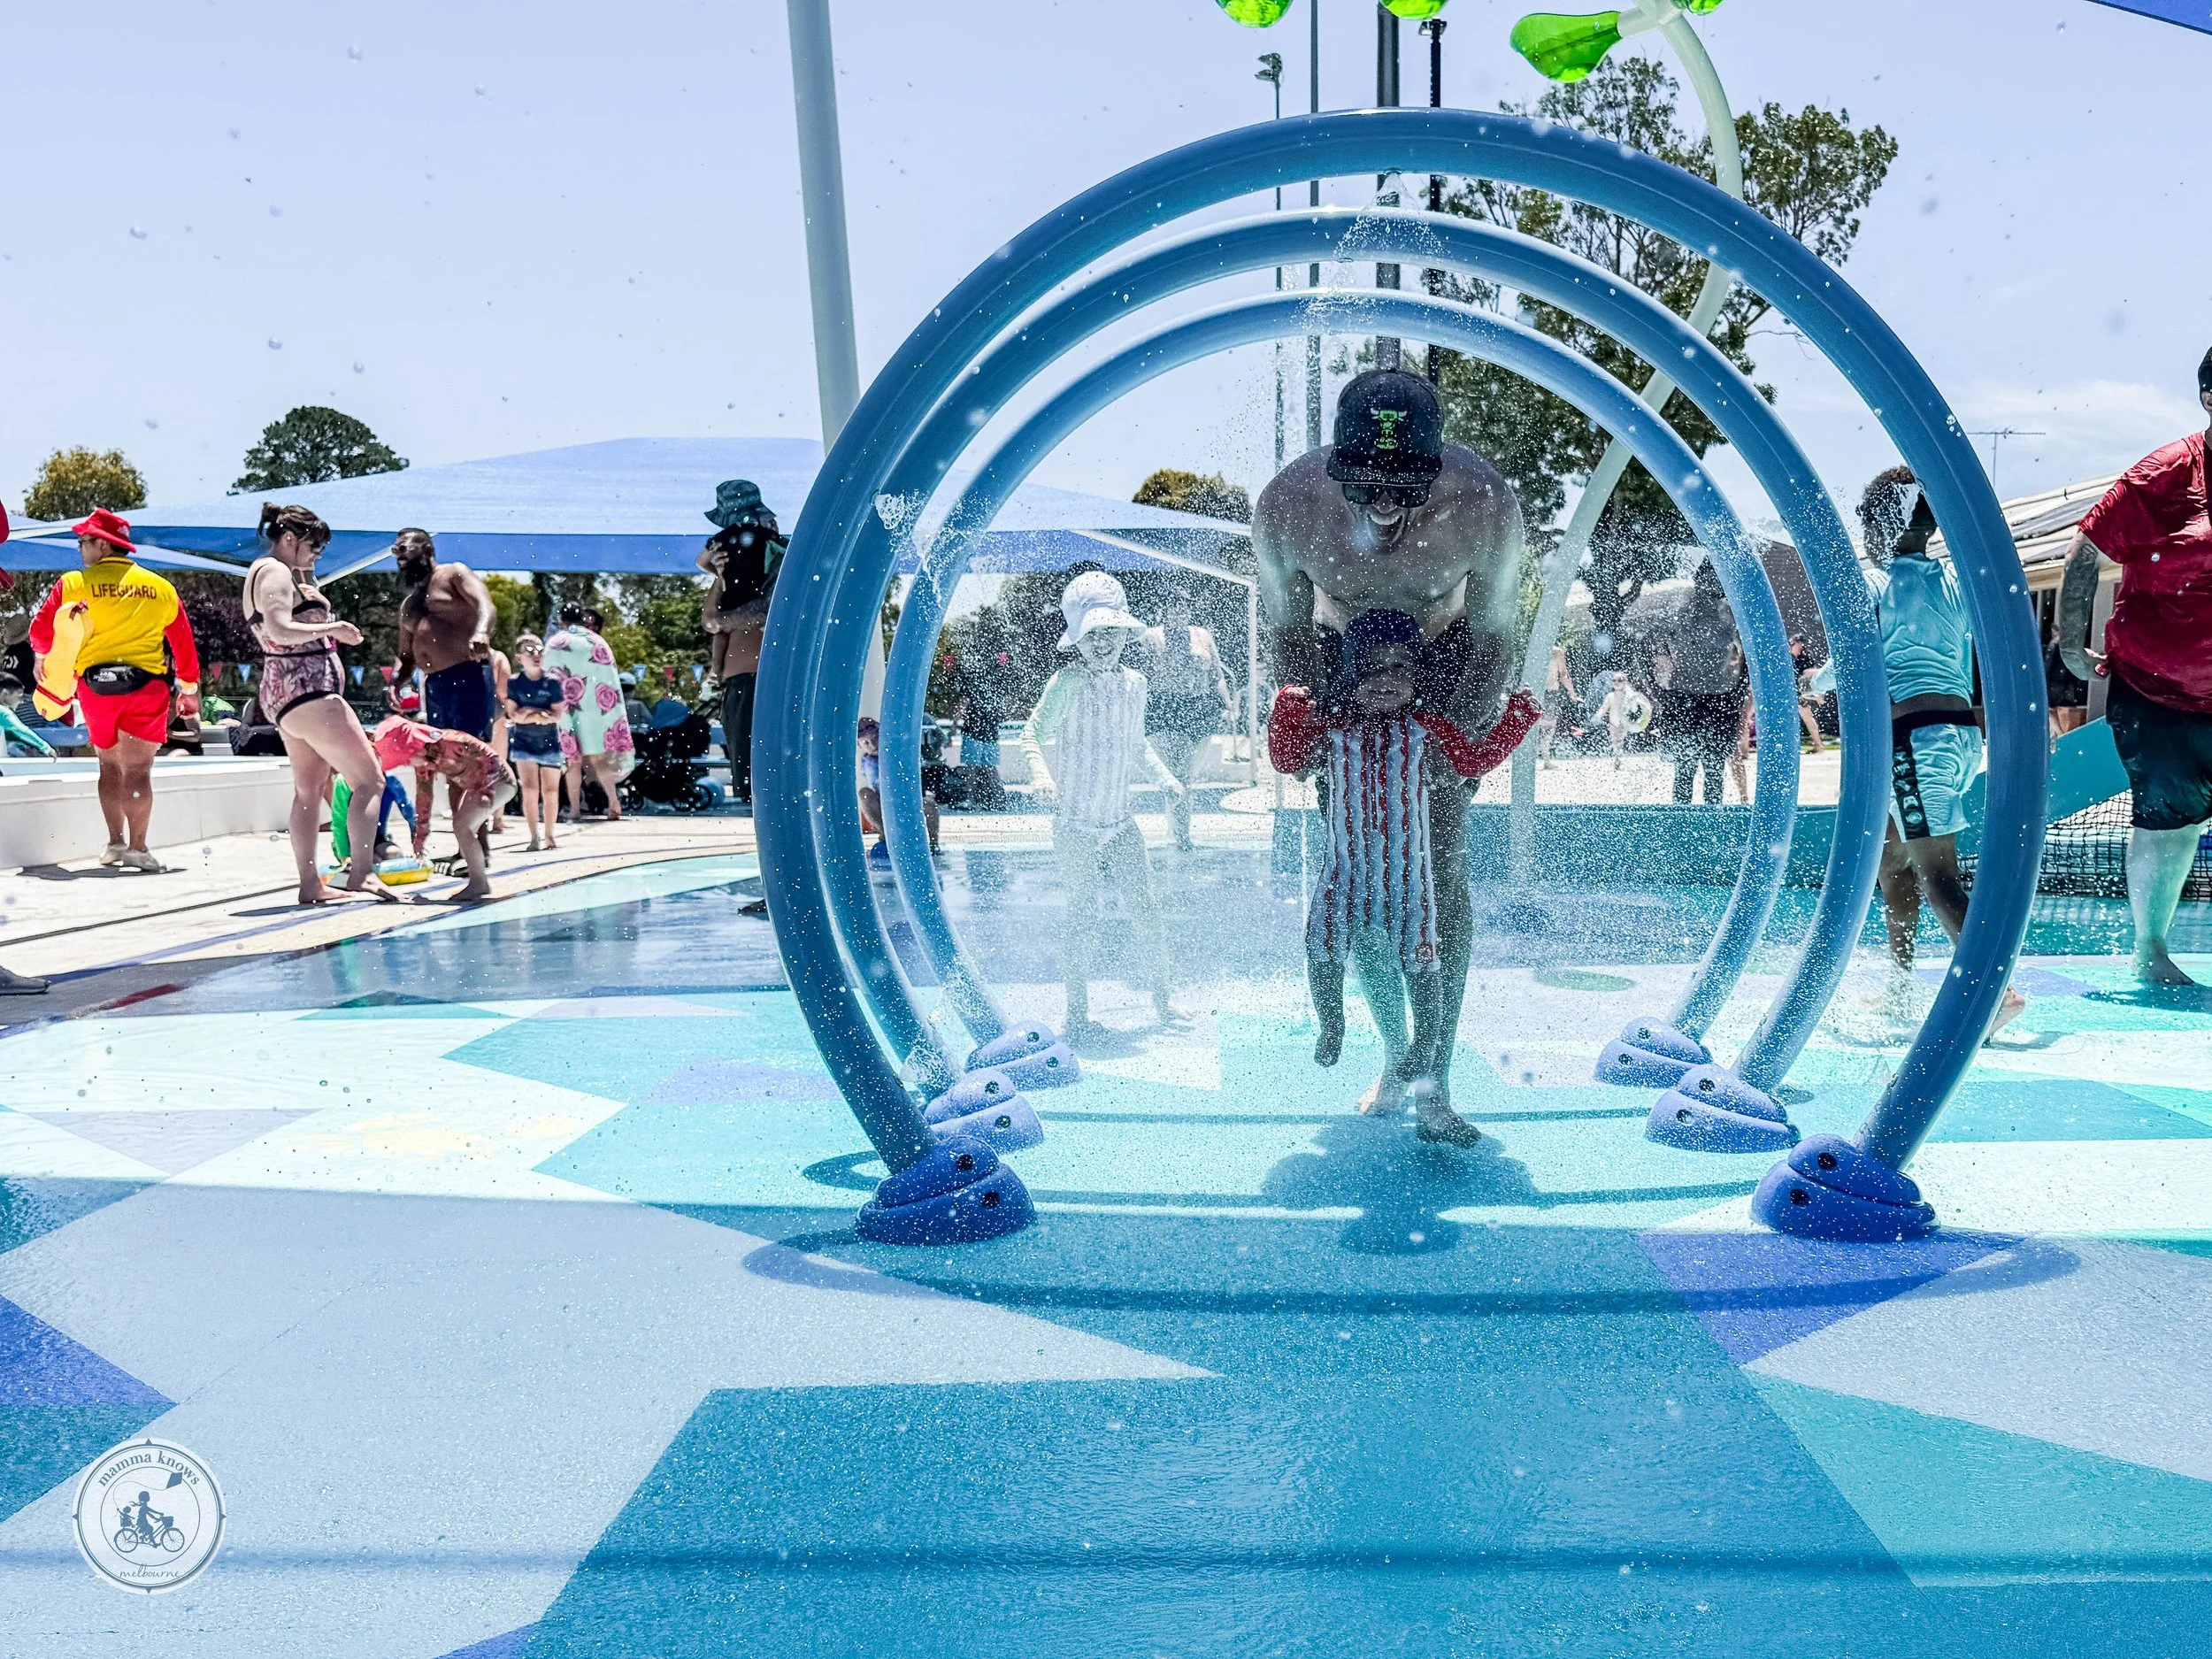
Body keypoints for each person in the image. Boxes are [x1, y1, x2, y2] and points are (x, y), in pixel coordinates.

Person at [1253, 368, 1525, 1136]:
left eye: (1403, 487)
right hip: (1341, 662)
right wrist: (1308, 735)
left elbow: (1499, 634)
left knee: (1437, 862)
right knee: (1358, 867)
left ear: (1434, 470)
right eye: (1365, 485)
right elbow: (1289, 631)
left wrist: (1461, 747)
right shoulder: (1287, 506)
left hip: (1445, 657)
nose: (1383, 504)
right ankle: (1394, 1048)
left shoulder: (1484, 505)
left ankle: (1435, 1081)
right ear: (1337, 467)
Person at [1269, 610, 1540, 1140]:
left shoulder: (1427, 728)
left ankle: (1425, 1057)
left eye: (1400, 668)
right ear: (1350, 675)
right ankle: (1333, 1026)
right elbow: (1287, 759)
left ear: (1418, 672)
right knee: (1321, 945)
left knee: (1424, 959)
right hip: (1346, 872)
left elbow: (1473, 761)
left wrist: (1518, 718)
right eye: (1373, 669)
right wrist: (1286, 708)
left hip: (1406, 877)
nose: (1388, 678)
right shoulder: (1331, 728)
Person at [2058, 347, 2212, 987]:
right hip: (2158, 690)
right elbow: (2086, 550)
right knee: (2169, 821)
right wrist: (2069, 645)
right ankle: (2150, 949)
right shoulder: (2165, 475)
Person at [1862, 468, 2025, 1034]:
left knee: (1937, 876)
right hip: (1956, 738)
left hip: (1914, 744)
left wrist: (1810, 683)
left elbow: (1858, 665)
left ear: (1878, 525)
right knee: (1891, 864)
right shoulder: (1956, 584)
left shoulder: (1873, 586)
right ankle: (1901, 986)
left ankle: (1995, 995)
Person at [1021, 572, 1187, 1038]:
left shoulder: (1136, 684)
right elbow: (1031, 733)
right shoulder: (1066, 682)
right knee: (1084, 911)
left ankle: (1162, 998)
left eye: (1110, 631)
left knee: (1146, 909)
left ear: (1125, 634)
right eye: (1092, 633)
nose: (1102, 641)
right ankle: (1076, 1010)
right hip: (1074, 822)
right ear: (1077, 639)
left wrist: (1166, 779)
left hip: (1119, 822)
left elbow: (1137, 746)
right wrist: (1041, 775)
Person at [27, 509, 200, 871]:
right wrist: (187, 689)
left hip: (94, 688)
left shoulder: (74, 583)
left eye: (84, 542)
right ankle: (139, 848)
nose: (80, 549)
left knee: (108, 767)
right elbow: (183, 645)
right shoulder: (161, 588)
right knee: (138, 770)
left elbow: (41, 633)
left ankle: (115, 845)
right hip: (146, 687)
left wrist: (44, 658)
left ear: (103, 545)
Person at [242, 503, 391, 904]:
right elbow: (279, 628)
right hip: (307, 691)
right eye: (315, 545)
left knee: (308, 791)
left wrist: (305, 577)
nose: (318, 554)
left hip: (286, 695)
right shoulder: (272, 570)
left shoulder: (277, 572)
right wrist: (335, 628)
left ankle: (311, 885)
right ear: (290, 537)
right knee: (369, 780)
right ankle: (361, 873)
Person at [698, 480, 784, 806]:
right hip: (740, 683)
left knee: (774, 780)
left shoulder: (780, 556)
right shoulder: (732, 577)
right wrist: (720, 576)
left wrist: (723, 620)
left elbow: (764, 614)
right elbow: (710, 621)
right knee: (750, 785)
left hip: (766, 679)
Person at [375, 717, 513, 902]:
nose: (406, 763)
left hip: (498, 781)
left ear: (415, 745)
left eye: (406, 758)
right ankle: (479, 881)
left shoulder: (452, 741)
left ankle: (479, 882)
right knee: (462, 826)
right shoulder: (424, 762)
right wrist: (420, 839)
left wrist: (487, 791)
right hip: (478, 787)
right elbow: (424, 799)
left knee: (462, 826)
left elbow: (489, 758)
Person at [1139, 581, 1233, 852]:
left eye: (1184, 606)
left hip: (1197, 708)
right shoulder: (1152, 637)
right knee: (1177, 773)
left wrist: (1229, 705)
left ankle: (1177, 829)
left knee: (1186, 776)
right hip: (1165, 708)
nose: (1179, 611)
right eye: (1174, 607)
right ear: (1164, 611)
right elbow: (1144, 678)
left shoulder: (1202, 636)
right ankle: (1182, 836)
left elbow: (1217, 674)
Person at [393, 528, 496, 741]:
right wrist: (397, 681)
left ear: (427, 549)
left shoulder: (453, 573)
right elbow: (406, 656)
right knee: (444, 754)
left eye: (404, 548)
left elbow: (485, 605)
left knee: (468, 751)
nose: (399, 555)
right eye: (395, 550)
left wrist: (481, 632)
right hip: (434, 684)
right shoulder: (408, 604)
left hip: (467, 674)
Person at [1661, 559, 1745, 805]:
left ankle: (1680, 819)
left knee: (1686, 769)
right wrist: (1739, 689)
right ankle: (1710, 819)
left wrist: (1657, 690)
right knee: (1713, 769)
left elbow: (1653, 646)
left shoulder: (1681, 608)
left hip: (1684, 697)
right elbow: (1750, 653)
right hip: (1718, 697)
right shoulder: (1728, 611)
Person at [543, 603, 634, 821]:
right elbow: (609, 679)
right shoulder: (597, 641)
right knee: (600, 760)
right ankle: (614, 802)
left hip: (567, 708)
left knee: (572, 762)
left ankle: (575, 810)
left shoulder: (555, 643)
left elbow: (548, 678)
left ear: (562, 620)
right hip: (597, 709)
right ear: (583, 619)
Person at [503, 633, 568, 850]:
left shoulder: (552, 682)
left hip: (549, 742)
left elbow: (556, 715)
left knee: (551, 791)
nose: (536, 655)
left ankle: (550, 835)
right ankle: (534, 836)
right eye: (530, 651)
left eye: (539, 650)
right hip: (523, 742)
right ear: (520, 657)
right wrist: (539, 713)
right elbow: (513, 715)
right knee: (530, 790)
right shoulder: (514, 682)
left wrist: (529, 712)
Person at [857, 716, 940, 862]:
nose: (870, 740)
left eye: (872, 730)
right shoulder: (866, 761)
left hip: (907, 803)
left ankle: (933, 845)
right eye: (865, 740)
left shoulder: (896, 752)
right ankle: (885, 836)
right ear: (859, 745)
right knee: (864, 794)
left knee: (929, 805)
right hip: (884, 808)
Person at [1538, 642, 1578, 765]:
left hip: (1535, 692)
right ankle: (1546, 759)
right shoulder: (1557, 652)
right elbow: (1563, 675)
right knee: (1548, 726)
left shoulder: (1536, 648)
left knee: (1536, 726)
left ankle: (1538, 757)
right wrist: (1572, 692)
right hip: (1550, 692)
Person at [0, 678, 57, 760]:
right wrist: (46, 748)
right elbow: (22, 731)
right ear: (4, 694)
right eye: (19, 697)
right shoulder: (3, 712)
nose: (21, 702)